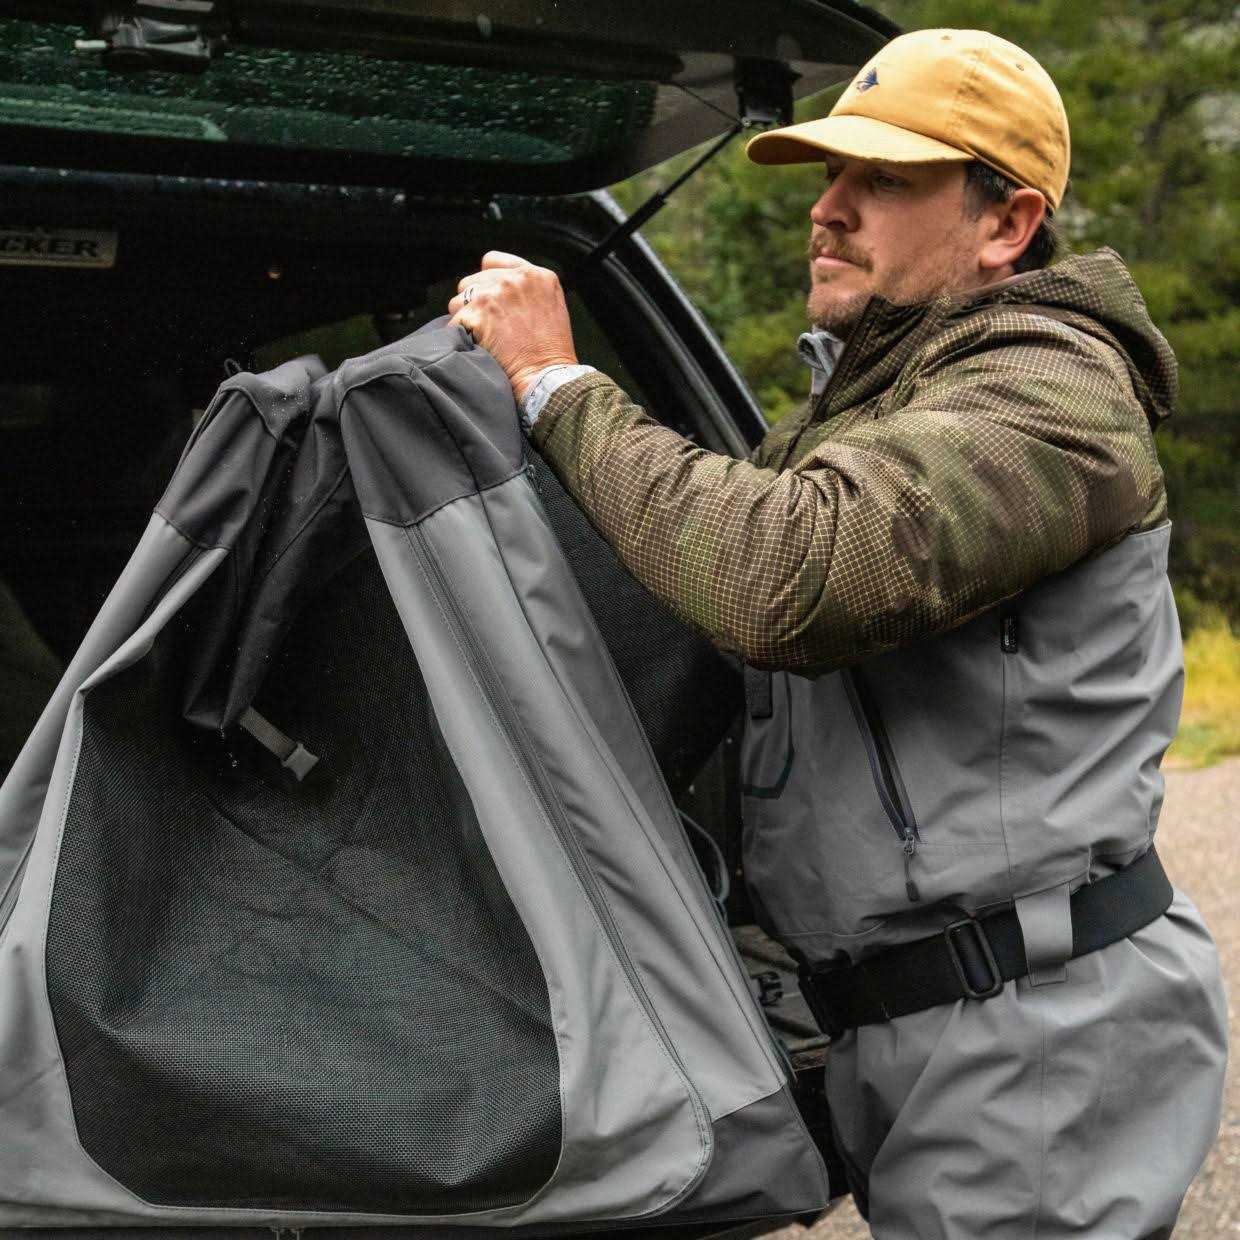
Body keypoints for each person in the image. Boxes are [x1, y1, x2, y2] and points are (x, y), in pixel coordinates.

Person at [448, 28, 1227, 1240]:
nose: (828, 208)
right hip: (908, 1017)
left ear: (1007, 223)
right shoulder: (872, 404)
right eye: (829, 174)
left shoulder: (1053, 394)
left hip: (1028, 1035)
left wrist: (556, 383)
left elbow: (783, 577)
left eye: (884, 179)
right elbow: (688, 598)